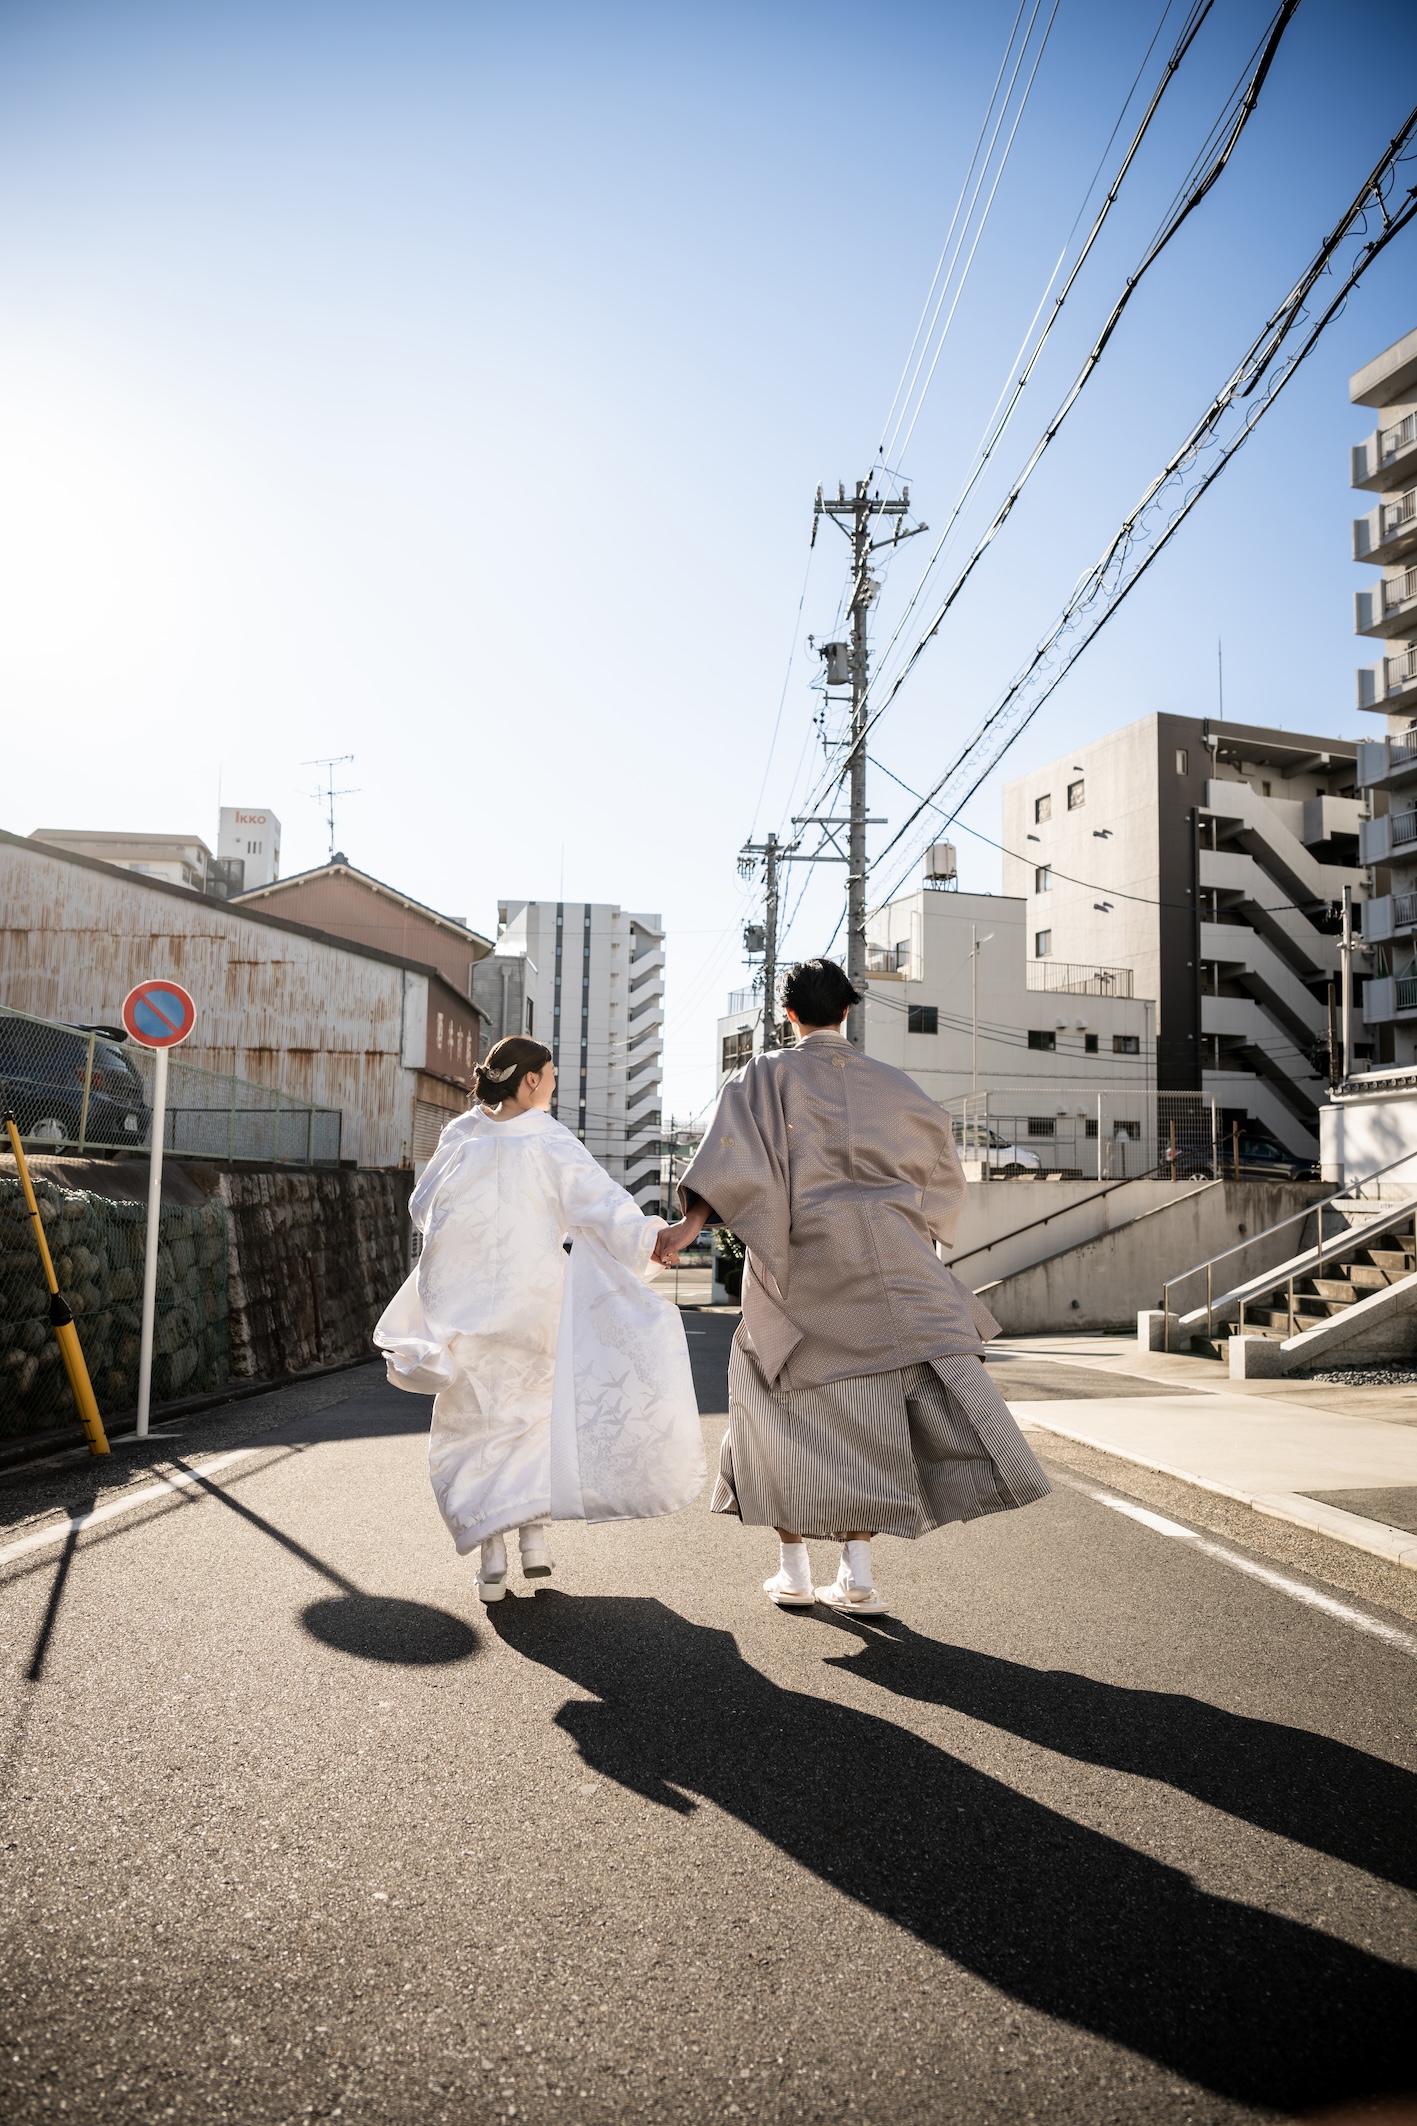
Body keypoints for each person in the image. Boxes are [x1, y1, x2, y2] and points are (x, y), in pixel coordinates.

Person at [655, 957, 1049, 1615]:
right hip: (892, 1272)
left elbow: (731, 1162)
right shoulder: (896, 1086)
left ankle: (793, 1572)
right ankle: (857, 1575)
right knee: (868, 1424)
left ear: (788, 1014)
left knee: (772, 1415)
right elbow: (941, 1175)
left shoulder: (763, 1075)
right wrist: (912, 1227)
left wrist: (689, 1221)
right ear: (847, 1011)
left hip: (800, 1272)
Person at [376, 1035, 705, 1601]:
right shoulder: (549, 1140)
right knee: (534, 1420)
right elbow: (600, 1204)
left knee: (476, 1424)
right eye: (550, 1074)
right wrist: (653, 1237)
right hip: (536, 1306)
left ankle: (491, 1561)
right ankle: (534, 1542)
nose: (553, 1084)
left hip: (467, 1308)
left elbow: (423, 1208)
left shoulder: (459, 1136)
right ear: (530, 1079)